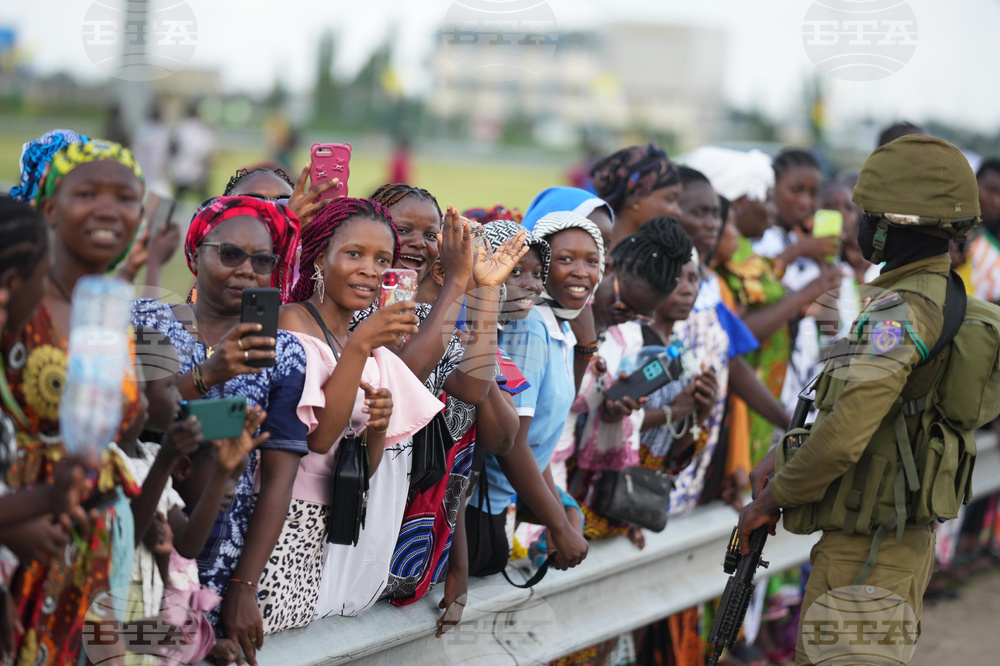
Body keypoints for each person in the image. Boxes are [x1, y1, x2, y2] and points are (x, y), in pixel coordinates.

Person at [739, 134, 984, 665]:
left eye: (867, 213)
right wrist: (783, 455)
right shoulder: (943, 296)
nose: (857, 224)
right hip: (893, 544)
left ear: (896, 223)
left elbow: (845, 436)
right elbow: (874, 419)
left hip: (868, 552)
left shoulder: (897, 316)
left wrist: (769, 500)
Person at [131, 195, 307, 665]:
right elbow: (144, 417)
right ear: (194, 255)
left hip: (224, 538)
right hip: (150, 524)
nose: (247, 270)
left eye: (263, 259)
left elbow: (279, 476)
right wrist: (210, 374)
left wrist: (243, 586)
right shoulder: (151, 321)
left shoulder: (284, 351)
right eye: (230, 254)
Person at [4, 130, 146, 665]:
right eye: (87, 194)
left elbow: (124, 429)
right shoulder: (18, 301)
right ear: (49, 208)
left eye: (125, 197)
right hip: (17, 534)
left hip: (92, 545)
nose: (108, 209)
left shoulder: (112, 311)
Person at [276, 197, 441, 630]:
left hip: (333, 526)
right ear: (318, 258)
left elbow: (362, 466)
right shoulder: (293, 323)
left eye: (382, 259)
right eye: (354, 254)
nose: (370, 269)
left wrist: (377, 427)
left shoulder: (362, 343)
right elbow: (318, 439)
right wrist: (360, 345)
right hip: (284, 520)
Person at [588, 144, 683, 248]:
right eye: (670, 199)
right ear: (635, 199)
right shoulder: (587, 253)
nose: (678, 212)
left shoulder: (667, 256)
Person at [169, 102, 215, 201]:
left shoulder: (181, 126)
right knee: (204, 202)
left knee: (177, 201)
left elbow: (171, 148)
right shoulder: (202, 128)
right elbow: (208, 154)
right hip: (197, 171)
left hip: (180, 169)